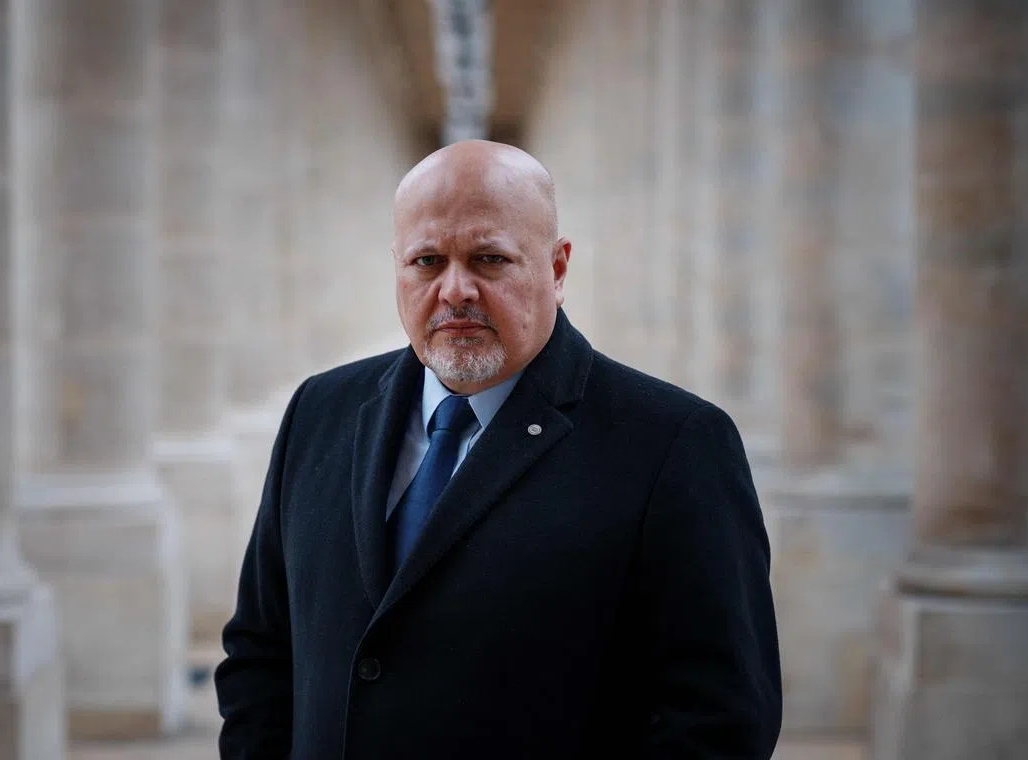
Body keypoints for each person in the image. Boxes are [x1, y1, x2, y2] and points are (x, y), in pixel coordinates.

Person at [215, 140, 782, 759]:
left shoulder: (675, 443)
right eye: (427, 261)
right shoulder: (319, 412)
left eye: (489, 259)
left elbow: (718, 720)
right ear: (397, 268)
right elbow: (260, 652)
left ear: (557, 269)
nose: (455, 290)